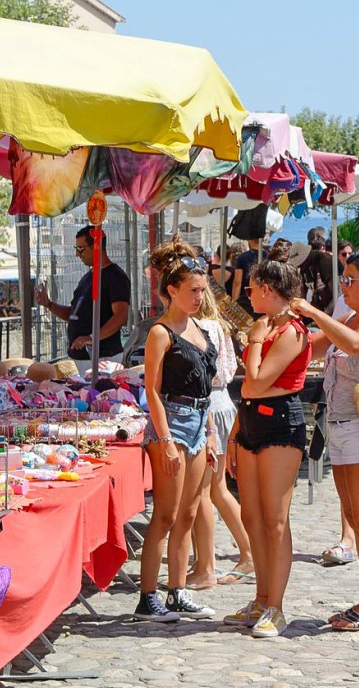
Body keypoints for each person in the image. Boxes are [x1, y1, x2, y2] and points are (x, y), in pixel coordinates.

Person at [292, 251, 359, 630]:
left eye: (350, 279)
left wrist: (313, 311)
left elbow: (356, 345)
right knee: (355, 518)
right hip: (339, 425)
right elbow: (313, 345)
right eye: (344, 278)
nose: (344, 285)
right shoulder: (349, 319)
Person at [223, 259, 310, 638]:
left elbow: (255, 381)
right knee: (252, 516)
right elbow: (249, 390)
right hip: (250, 421)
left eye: (252, 288)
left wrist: (256, 339)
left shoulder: (290, 331)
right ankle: (261, 598)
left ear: (268, 290)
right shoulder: (269, 325)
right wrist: (234, 435)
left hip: (279, 424)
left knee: (275, 519)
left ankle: (276, 606)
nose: (248, 294)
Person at [136, 236, 216, 622]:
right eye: (193, 291)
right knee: (166, 514)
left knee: (189, 511)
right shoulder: (160, 332)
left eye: (202, 290)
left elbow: (207, 385)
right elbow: (151, 389)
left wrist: (211, 431)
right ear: (172, 291)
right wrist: (165, 438)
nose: (200, 297)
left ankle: (177, 590)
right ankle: (147, 596)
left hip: (199, 422)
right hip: (173, 421)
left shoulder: (199, 327)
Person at [187, 289, 255, 590]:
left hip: (210, 406)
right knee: (216, 489)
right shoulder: (219, 325)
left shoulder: (200, 327)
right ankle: (243, 553)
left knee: (205, 490)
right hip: (223, 401)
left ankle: (209, 565)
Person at [36, 226, 130, 363]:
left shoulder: (115, 276)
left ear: (96, 247)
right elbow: (73, 314)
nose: (77, 254)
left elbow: (121, 316)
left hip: (102, 357)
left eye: (80, 249)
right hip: (81, 357)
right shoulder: (87, 278)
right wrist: (49, 305)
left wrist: (92, 338)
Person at [230, 238, 261, 315]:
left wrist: (234, 303)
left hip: (245, 299)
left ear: (250, 240)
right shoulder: (267, 255)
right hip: (262, 298)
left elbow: (237, 282)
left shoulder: (243, 257)